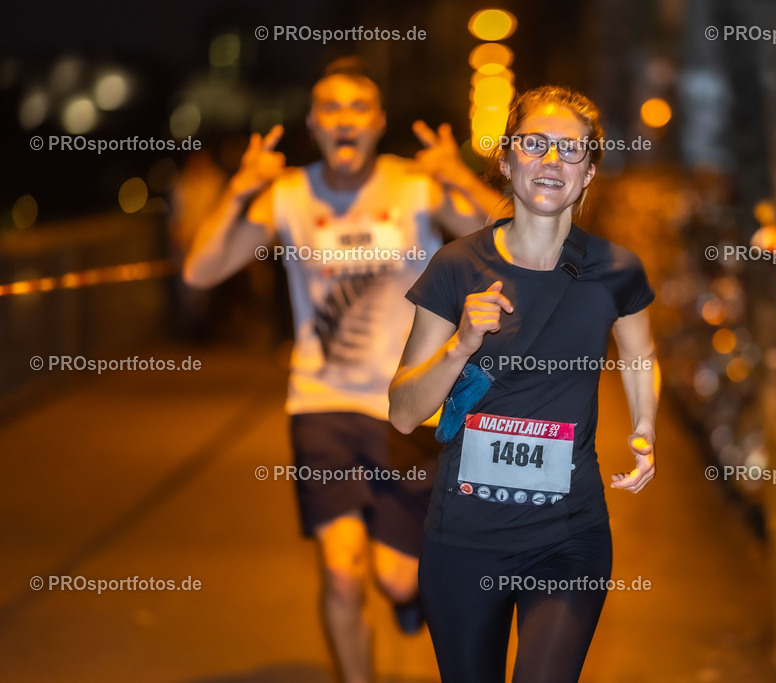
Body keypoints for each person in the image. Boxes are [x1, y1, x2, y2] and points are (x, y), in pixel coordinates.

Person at [183, 56, 503, 683]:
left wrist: (458, 176)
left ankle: (410, 599)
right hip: (322, 403)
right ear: (314, 124)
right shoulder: (290, 195)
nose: (344, 119)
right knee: (339, 567)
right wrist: (238, 191)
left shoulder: (416, 187)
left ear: (378, 121)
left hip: (409, 406)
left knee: (395, 574)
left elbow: (515, 241)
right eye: (330, 109)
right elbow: (199, 271)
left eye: (358, 108)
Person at [389, 85, 659, 682]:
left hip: (568, 536)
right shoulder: (456, 267)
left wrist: (644, 426)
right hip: (464, 539)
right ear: (507, 161)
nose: (552, 160)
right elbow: (404, 412)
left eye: (570, 149)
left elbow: (640, 354)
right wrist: (461, 343)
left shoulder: (616, 270)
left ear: (589, 173)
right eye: (534, 144)